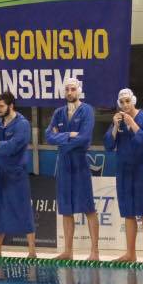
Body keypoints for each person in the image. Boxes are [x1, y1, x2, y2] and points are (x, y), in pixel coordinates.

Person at [45, 77, 98, 261]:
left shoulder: (87, 111)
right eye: (67, 89)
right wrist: (69, 135)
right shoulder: (59, 113)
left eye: (73, 89)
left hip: (80, 163)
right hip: (64, 164)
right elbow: (48, 137)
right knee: (66, 209)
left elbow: (84, 138)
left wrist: (62, 140)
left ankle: (95, 252)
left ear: (79, 91)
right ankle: (68, 251)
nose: (69, 92)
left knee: (88, 208)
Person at [104, 88, 143, 263]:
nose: (125, 105)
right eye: (122, 102)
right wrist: (116, 126)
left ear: (133, 100)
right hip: (123, 171)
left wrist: (132, 123)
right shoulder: (118, 121)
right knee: (128, 213)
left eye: (128, 101)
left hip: (140, 170)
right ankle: (130, 253)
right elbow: (109, 146)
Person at [0, 92, 37, 258]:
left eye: (1, 106)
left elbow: (14, 147)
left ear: (11, 105)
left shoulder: (22, 124)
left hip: (16, 173)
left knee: (23, 209)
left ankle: (32, 251)